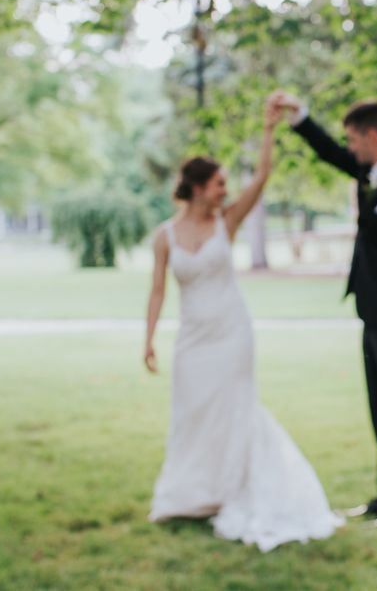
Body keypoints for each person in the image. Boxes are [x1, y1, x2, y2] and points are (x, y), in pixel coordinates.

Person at [143, 98, 341, 549]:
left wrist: (269, 129)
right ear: (197, 188)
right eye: (218, 184)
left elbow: (262, 177)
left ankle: (230, 489)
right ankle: (189, 494)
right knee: (192, 413)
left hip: (232, 333)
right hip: (192, 338)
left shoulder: (227, 222)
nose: (224, 192)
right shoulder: (164, 236)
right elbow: (156, 291)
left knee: (234, 411)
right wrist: (149, 339)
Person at [270, 92, 377, 527]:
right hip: (371, 313)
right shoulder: (367, 173)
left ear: (373, 135)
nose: (350, 147)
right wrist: (300, 118)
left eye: (354, 139)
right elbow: (329, 153)